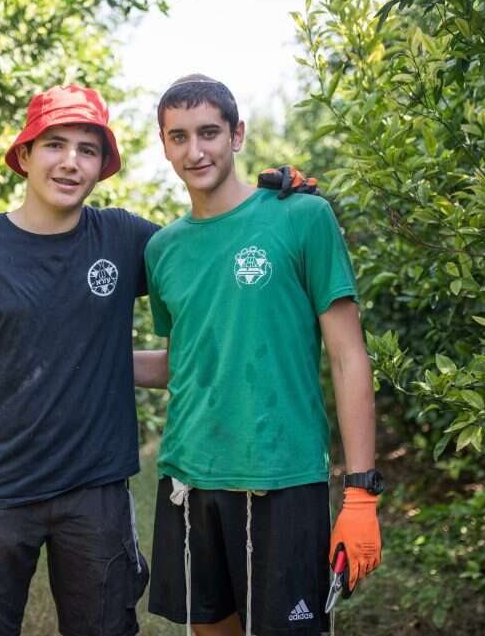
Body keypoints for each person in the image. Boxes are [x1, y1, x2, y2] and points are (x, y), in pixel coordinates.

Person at [0, 84, 160, 636]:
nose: (71, 162)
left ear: (101, 166)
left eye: (88, 149)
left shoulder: (121, 237)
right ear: (25, 155)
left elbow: (210, 249)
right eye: (55, 144)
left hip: (96, 492)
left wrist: (268, 202)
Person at [140, 74, 382, 636]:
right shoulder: (163, 249)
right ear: (164, 144)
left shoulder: (300, 217)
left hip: (281, 476)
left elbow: (349, 357)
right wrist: (91, 359)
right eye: (179, 137)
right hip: (189, 478)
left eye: (209, 133)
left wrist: (361, 492)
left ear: (237, 135)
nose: (194, 151)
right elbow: (184, 364)